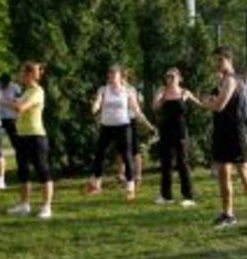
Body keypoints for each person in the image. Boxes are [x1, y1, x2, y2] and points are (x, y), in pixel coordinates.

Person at [200, 47, 247, 231]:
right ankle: (228, 214)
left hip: (236, 133)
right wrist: (209, 100)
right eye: (215, 60)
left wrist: (207, 103)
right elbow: (214, 100)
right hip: (221, 132)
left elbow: (219, 105)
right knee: (223, 174)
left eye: (220, 60)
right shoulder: (221, 81)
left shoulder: (232, 80)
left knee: (244, 173)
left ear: (229, 60)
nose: (217, 64)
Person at [85, 65, 146, 202]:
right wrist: (95, 106)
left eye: (114, 75)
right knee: (99, 155)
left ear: (120, 77)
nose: (111, 78)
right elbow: (98, 101)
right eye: (110, 75)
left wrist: (141, 117)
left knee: (126, 156)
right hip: (106, 127)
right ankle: (96, 184)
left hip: (123, 127)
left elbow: (135, 107)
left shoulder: (127, 91)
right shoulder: (103, 89)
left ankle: (130, 188)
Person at [5, 62, 55, 219]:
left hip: (36, 136)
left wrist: (1, 100)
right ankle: (24, 205)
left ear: (29, 75)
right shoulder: (26, 91)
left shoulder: (37, 91)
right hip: (22, 136)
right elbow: (18, 106)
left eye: (21, 73)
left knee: (43, 172)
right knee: (23, 172)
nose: (19, 76)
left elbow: (20, 108)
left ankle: (46, 207)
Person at [153, 68, 200, 207]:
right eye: (168, 76)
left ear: (179, 78)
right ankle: (166, 196)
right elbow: (154, 106)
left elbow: (201, 104)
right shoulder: (162, 91)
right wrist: (161, 98)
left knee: (182, 162)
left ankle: (188, 196)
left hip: (180, 131)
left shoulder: (185, 93)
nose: (170, 78)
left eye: (173, 76)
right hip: (166, 130)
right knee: (166, 163)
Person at [0, 73, 21, 155]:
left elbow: (17, 105)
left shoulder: (15, 88)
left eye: (5, 84)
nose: (3, 86)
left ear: (9, 83)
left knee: (15, 142)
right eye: (1, 84)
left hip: (11, 118)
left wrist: (4, 102)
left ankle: (21, 162)